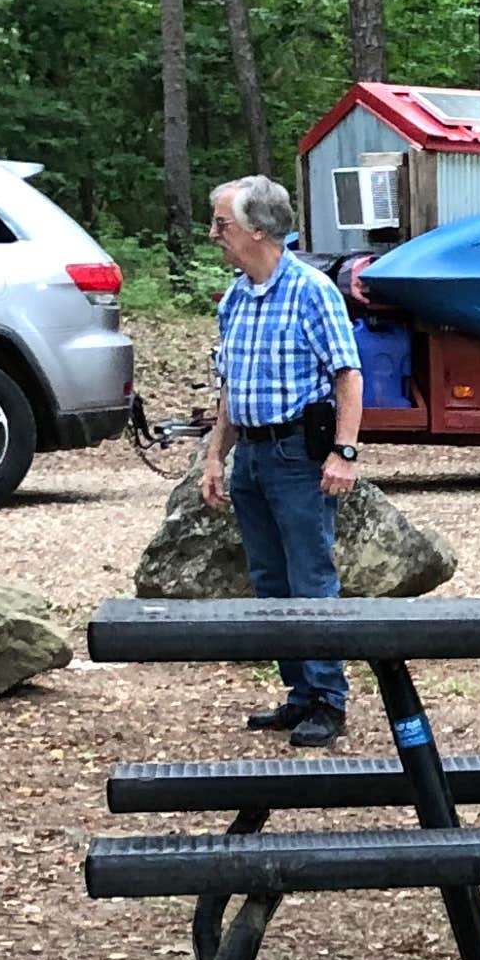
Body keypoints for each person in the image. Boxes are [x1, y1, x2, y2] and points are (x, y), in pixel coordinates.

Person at [200, 175, 368, 750]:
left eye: (221, 224)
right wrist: (215, 457)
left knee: (310, 576)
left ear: (257, 230)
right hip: (250, 453)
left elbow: (348, 375)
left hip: (297, 453)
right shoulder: (235, 298)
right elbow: (230, 387)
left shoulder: (311, 291)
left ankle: (328, 699)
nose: (214, 235)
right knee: (270, 580)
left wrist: (344, 452)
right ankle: (298, 692)